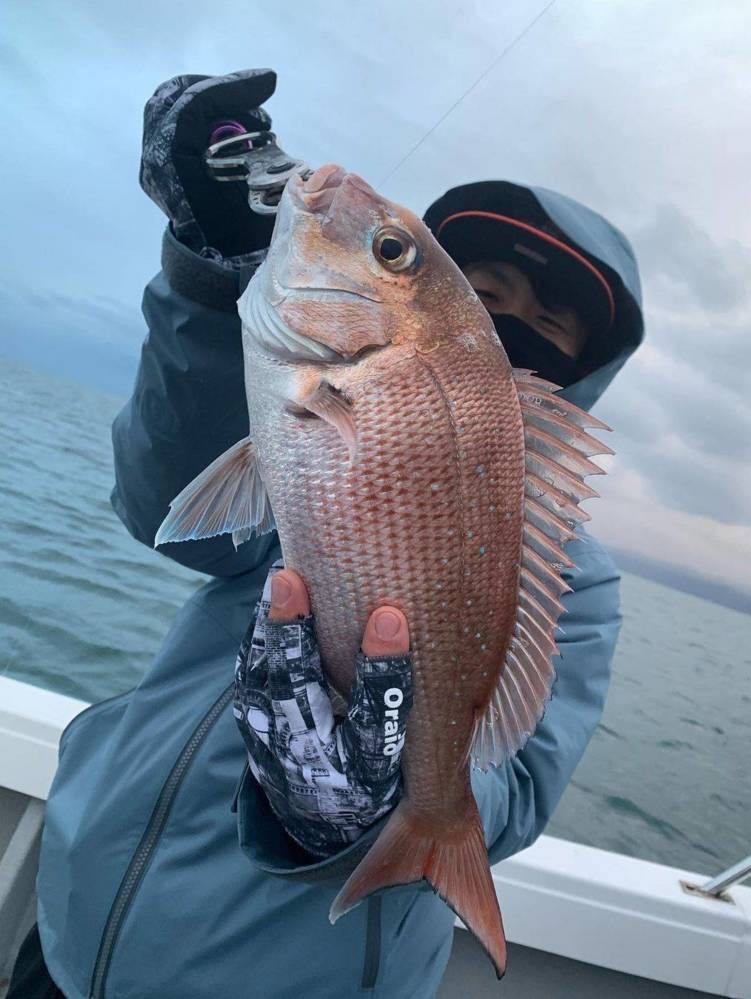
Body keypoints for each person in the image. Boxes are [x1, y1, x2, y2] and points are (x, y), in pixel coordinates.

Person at [10, 69, 643, 999]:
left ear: (580, 377)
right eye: (490, 292)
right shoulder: (300, 420)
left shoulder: (577, 582)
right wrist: (211, 259)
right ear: (453, 307)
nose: (514, 328)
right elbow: (169, 513)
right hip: (74, 929)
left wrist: (383, 792)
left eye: (549, 325)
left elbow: (513, 784)